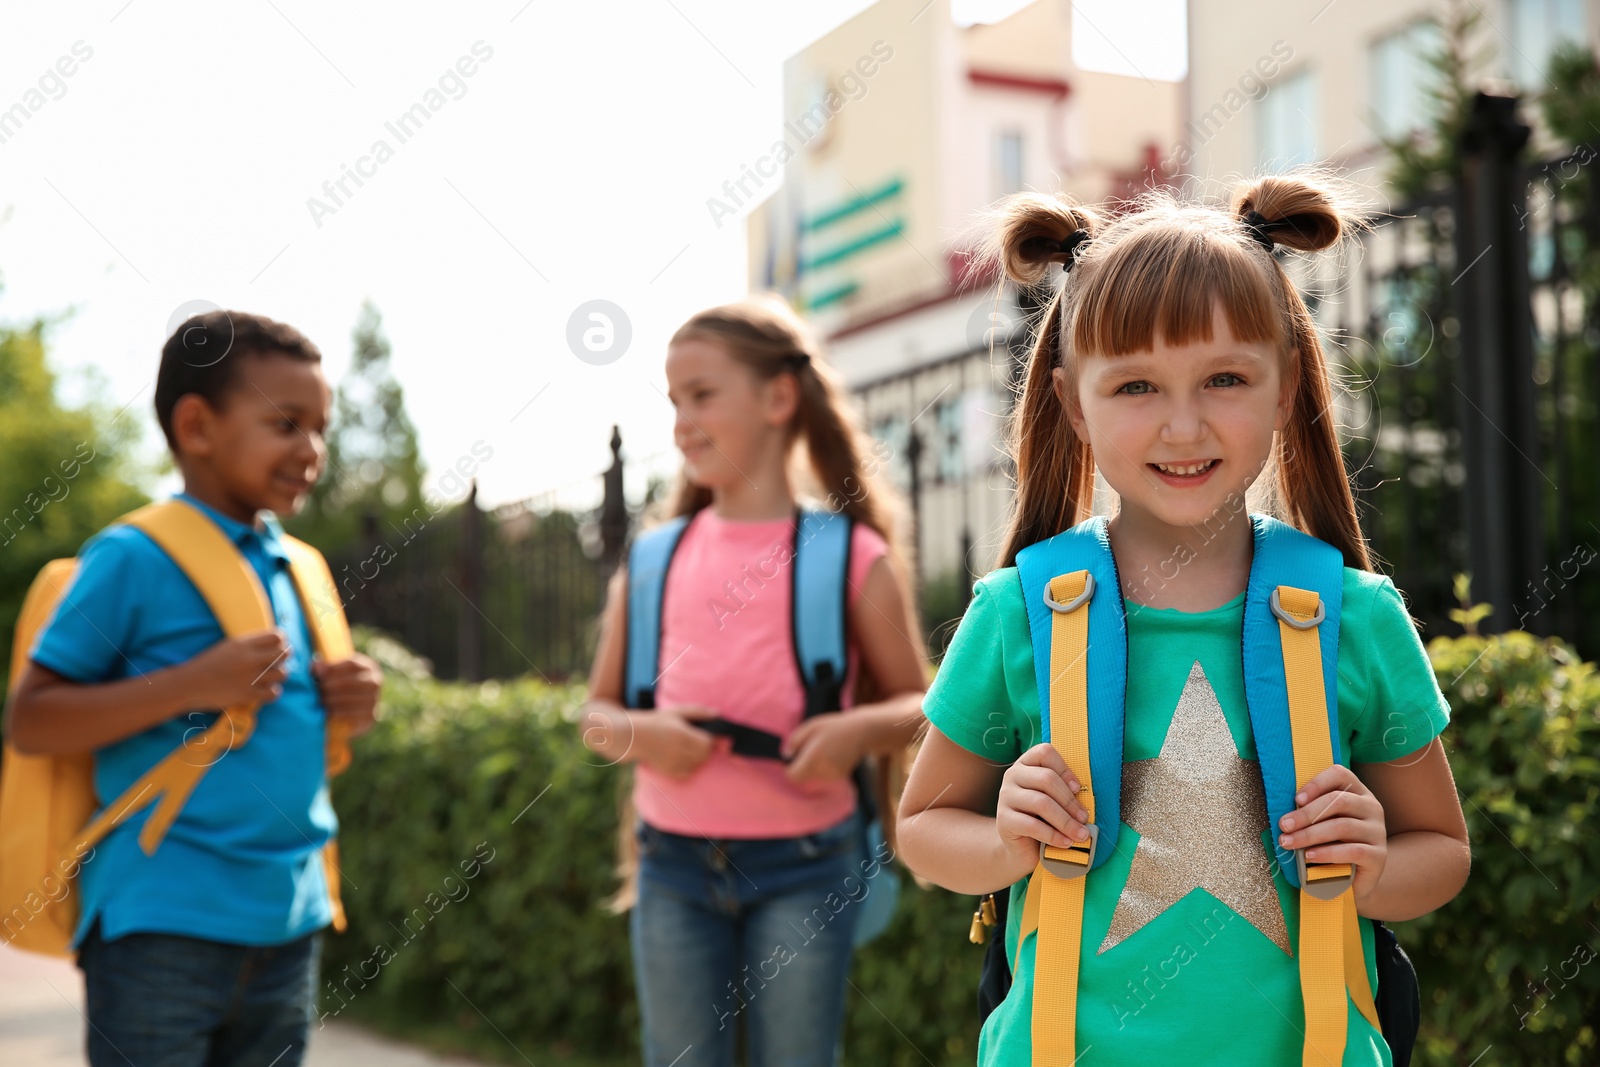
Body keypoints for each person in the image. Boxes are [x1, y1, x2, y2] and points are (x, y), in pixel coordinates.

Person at [895, 174, 1471, 1066]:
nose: (1183, 423)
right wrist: (1006, 836)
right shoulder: (1015, 612)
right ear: (1071, 404)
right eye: (1135, 387)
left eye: (1226, 378)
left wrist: (1380, 865)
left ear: (1285, 391)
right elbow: (924, 829)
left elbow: (1444, 847)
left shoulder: (1356, 617)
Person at [5, 310, 382, 1067]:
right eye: (285, 423)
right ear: (197, 425)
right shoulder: (131, 558)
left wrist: (354, 699)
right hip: (160, 926)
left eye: (320, 428)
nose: (310, 450)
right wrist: (193, 684)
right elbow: (33, 719)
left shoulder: (301, 566)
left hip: (290, 922)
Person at [578, 296, 929, 1067]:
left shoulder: (851, 555)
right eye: (674, 401)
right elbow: (596, 718)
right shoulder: (651, 561)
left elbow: (923, 709)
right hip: (671, 864)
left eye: (702, 394)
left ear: (777, 398)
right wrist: (644, 735)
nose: (681, 421)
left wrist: (853, 732)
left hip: (809, 867)